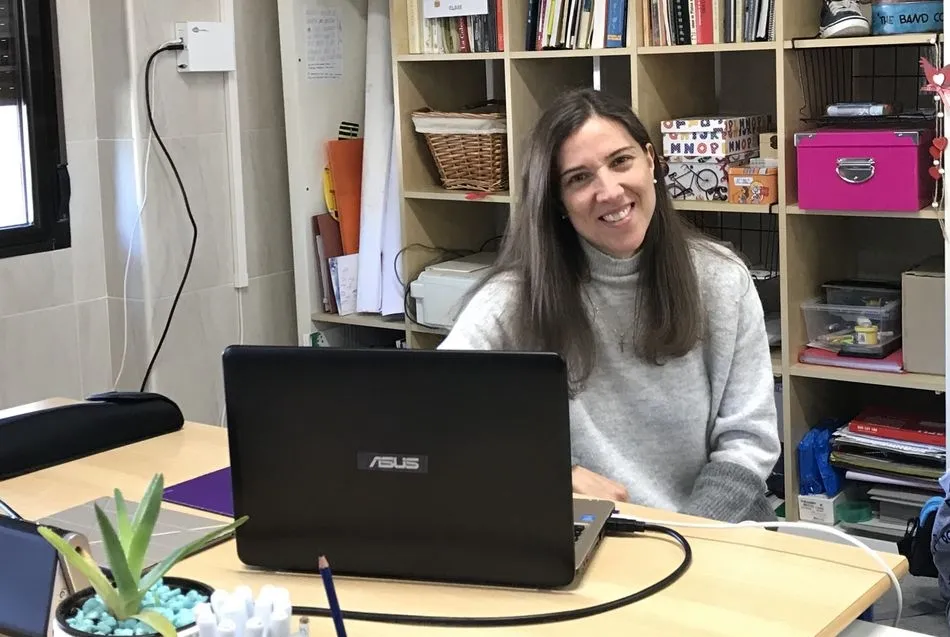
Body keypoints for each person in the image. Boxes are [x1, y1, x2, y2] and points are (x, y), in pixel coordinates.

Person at [437, 88, 781, 523]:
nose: (610, 191)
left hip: (705, 536)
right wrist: (552, 474)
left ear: (652, 161)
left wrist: (692, 536)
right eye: (579, 178)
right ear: (558, 202)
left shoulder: (720, 278)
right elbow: (434, 418)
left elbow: (748, 440)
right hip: (582, 540)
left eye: (621, 161)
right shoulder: (514, 299)